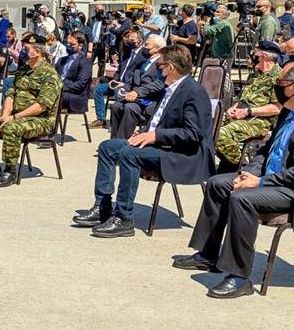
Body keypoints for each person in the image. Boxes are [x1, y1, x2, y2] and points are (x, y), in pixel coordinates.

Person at [175, 62, 294, 299]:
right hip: (273, 179)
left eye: (280, 84)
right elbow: (265, 151)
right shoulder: (289, 110)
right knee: (219, 184)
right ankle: (208, 255)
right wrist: (249, 173)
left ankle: (239, 276)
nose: (276, 88)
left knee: (243, 198)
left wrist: (259, 183)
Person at [72, 45, 215, 237]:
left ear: (170, 68)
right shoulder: (169, 88)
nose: (157, 70)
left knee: (129, 154)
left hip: (183, 154)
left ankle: (124, 218)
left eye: (160, 66)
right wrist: (143, 133)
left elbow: (193, 134)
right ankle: (103, 206)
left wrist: (154, 136)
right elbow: (158, 121)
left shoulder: (193, 92)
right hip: (161, 144)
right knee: (107, 147)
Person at [0, 33, 62, 187]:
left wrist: (13, 118)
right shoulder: (23, 70)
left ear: (38, 52)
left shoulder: (50, 75)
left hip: (40, 120)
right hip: (15, 115)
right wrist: (6, 114)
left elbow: (41, 106)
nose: (23, 52)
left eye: (27, 49)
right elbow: (11, 94)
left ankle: (10, 170)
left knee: (12, 127)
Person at [214, 40, 282, 172]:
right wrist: (233, 108)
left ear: (264, 56)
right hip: (241, 114)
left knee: (222, 134)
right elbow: (242, 98)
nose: (252, 56)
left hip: (258, 120)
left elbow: (277, 108)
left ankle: (237, 165)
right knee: (210, 126)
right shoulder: (255, 75)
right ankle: (227, 161)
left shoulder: (278, 77)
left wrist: (248, 111)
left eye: (256, 54)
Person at [109, 35, 166, 139]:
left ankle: (121, 144)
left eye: (147, 45)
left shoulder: (161, 65)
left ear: (157, 49)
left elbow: (158, 84)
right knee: (115, 106)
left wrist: (137, 92)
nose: (144, 47)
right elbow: (133, 82)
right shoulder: (143, 63)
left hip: (149, 101)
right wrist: (124, 88)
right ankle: (113, 142)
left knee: (130, 108)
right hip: (135, 98)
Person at [91, 30, 145, 128]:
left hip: (129, 85)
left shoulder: (143, 56)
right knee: (98, 89)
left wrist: (123, 84)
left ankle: (117, 121)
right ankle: (101, 119)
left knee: (118, 90)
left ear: (140, 41)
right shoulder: (127, 53)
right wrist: (114, 79)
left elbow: (138, 75)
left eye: (131, 40)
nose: (128, 41)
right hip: (118, 81)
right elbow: (119, 70)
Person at [55, 31, 93, 116]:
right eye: (67, 43)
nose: (68, 46)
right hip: (59, 91)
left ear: (80, 45)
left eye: (72, 45)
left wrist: (61, 86)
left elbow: (80, 84)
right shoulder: (62, 60)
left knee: (51, 97)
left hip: (75, 96)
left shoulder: (85, 62)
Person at [87, 3, 108, 77]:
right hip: (92, 44)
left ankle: (100, 79)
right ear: (95, 10)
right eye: (97, 9)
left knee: (101, 64)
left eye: (101, 10)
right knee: (89, 63)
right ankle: (88, 78)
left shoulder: (105, 21)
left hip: (101, 45)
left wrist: (105, 19)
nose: (99, 11)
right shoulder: (91, 19)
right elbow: (88, 31)